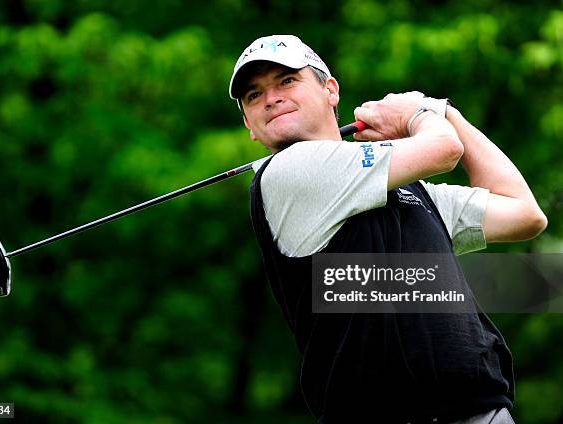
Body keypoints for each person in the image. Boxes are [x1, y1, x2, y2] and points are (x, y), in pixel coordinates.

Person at [228, 35, 548, 423]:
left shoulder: (410, 191)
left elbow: (524, 213)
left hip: (481, 412)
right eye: (253, 94)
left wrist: (449, 115)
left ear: (330, 90)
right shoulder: (288, 172)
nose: (270, 98)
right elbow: (444, 150)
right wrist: (420, 113)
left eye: (286, 81)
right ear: (249, 124)